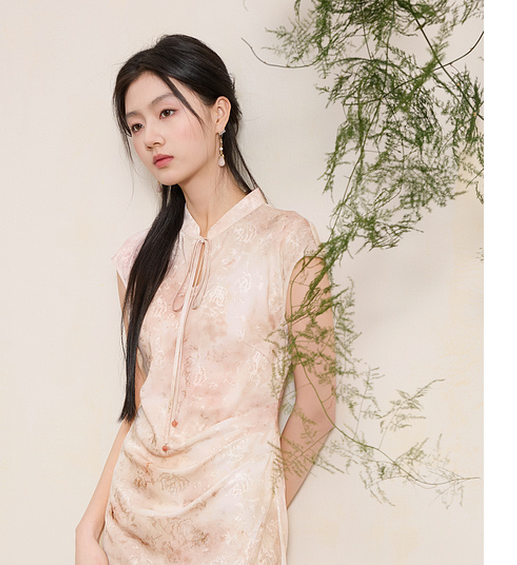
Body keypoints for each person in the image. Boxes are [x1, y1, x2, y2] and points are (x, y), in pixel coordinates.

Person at [76, 34, 336, 565]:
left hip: (232, 530)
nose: (150, 137)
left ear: (219, 114)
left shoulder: (288, 242)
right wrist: (88, 527)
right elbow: (140, 406)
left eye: (166, 112)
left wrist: (257, 509)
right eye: (135, 125)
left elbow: (318, 407)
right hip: (130, 528)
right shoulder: (138, 261)